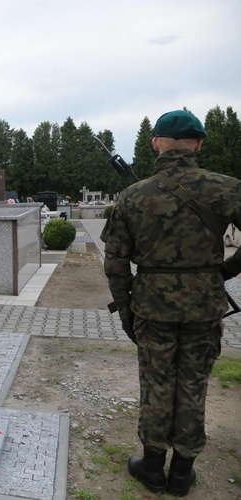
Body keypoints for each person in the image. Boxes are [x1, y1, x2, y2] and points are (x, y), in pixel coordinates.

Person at [102, 110, 241, 497]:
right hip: (204, 306)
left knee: (157, 384)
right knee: (194, 385)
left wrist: (126, 311)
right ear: (198, 144)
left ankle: (151, 466)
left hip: (152, 308)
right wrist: (225, 271)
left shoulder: (133, 195)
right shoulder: (228, 188)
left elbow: (115, 263)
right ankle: (182, 472)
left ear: (155, 143)